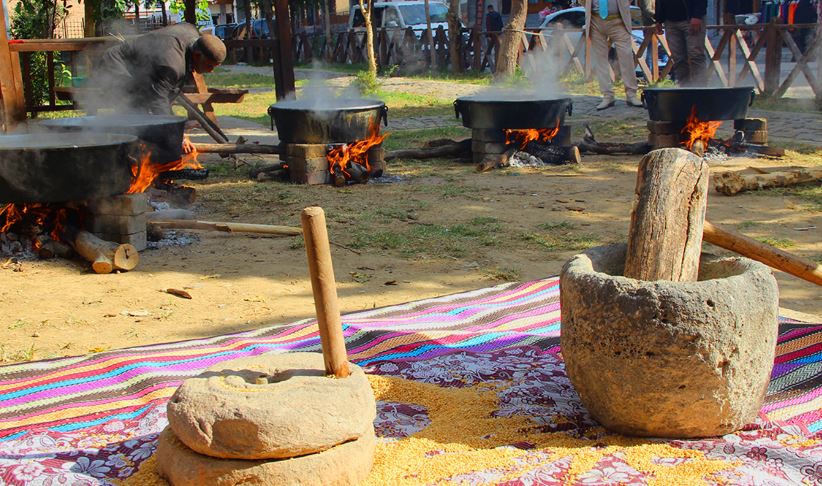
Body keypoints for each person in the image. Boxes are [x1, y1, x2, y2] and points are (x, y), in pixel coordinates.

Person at [89, 23, 226, 115]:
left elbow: (168, 93)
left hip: (140, 69)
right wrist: (177, 133)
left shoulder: (191, 33)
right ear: (197, 55)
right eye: (209, 66)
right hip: (116, 64)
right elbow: (158, 101)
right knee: (134, 108)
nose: (211, 71)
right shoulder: (171, 64)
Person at [584, 0, 644, 110]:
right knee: (600, 59)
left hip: (618, 20)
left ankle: (631, 94)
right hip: (595, 20)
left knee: (626, 56)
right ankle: (607, 95)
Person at [655, 0, 708, 86]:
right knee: (678, 58)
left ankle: (700, 89)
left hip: (690, 18)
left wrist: (697, 15)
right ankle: (684, 89)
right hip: (670, 20)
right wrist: (659, 19)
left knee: (695, 55)